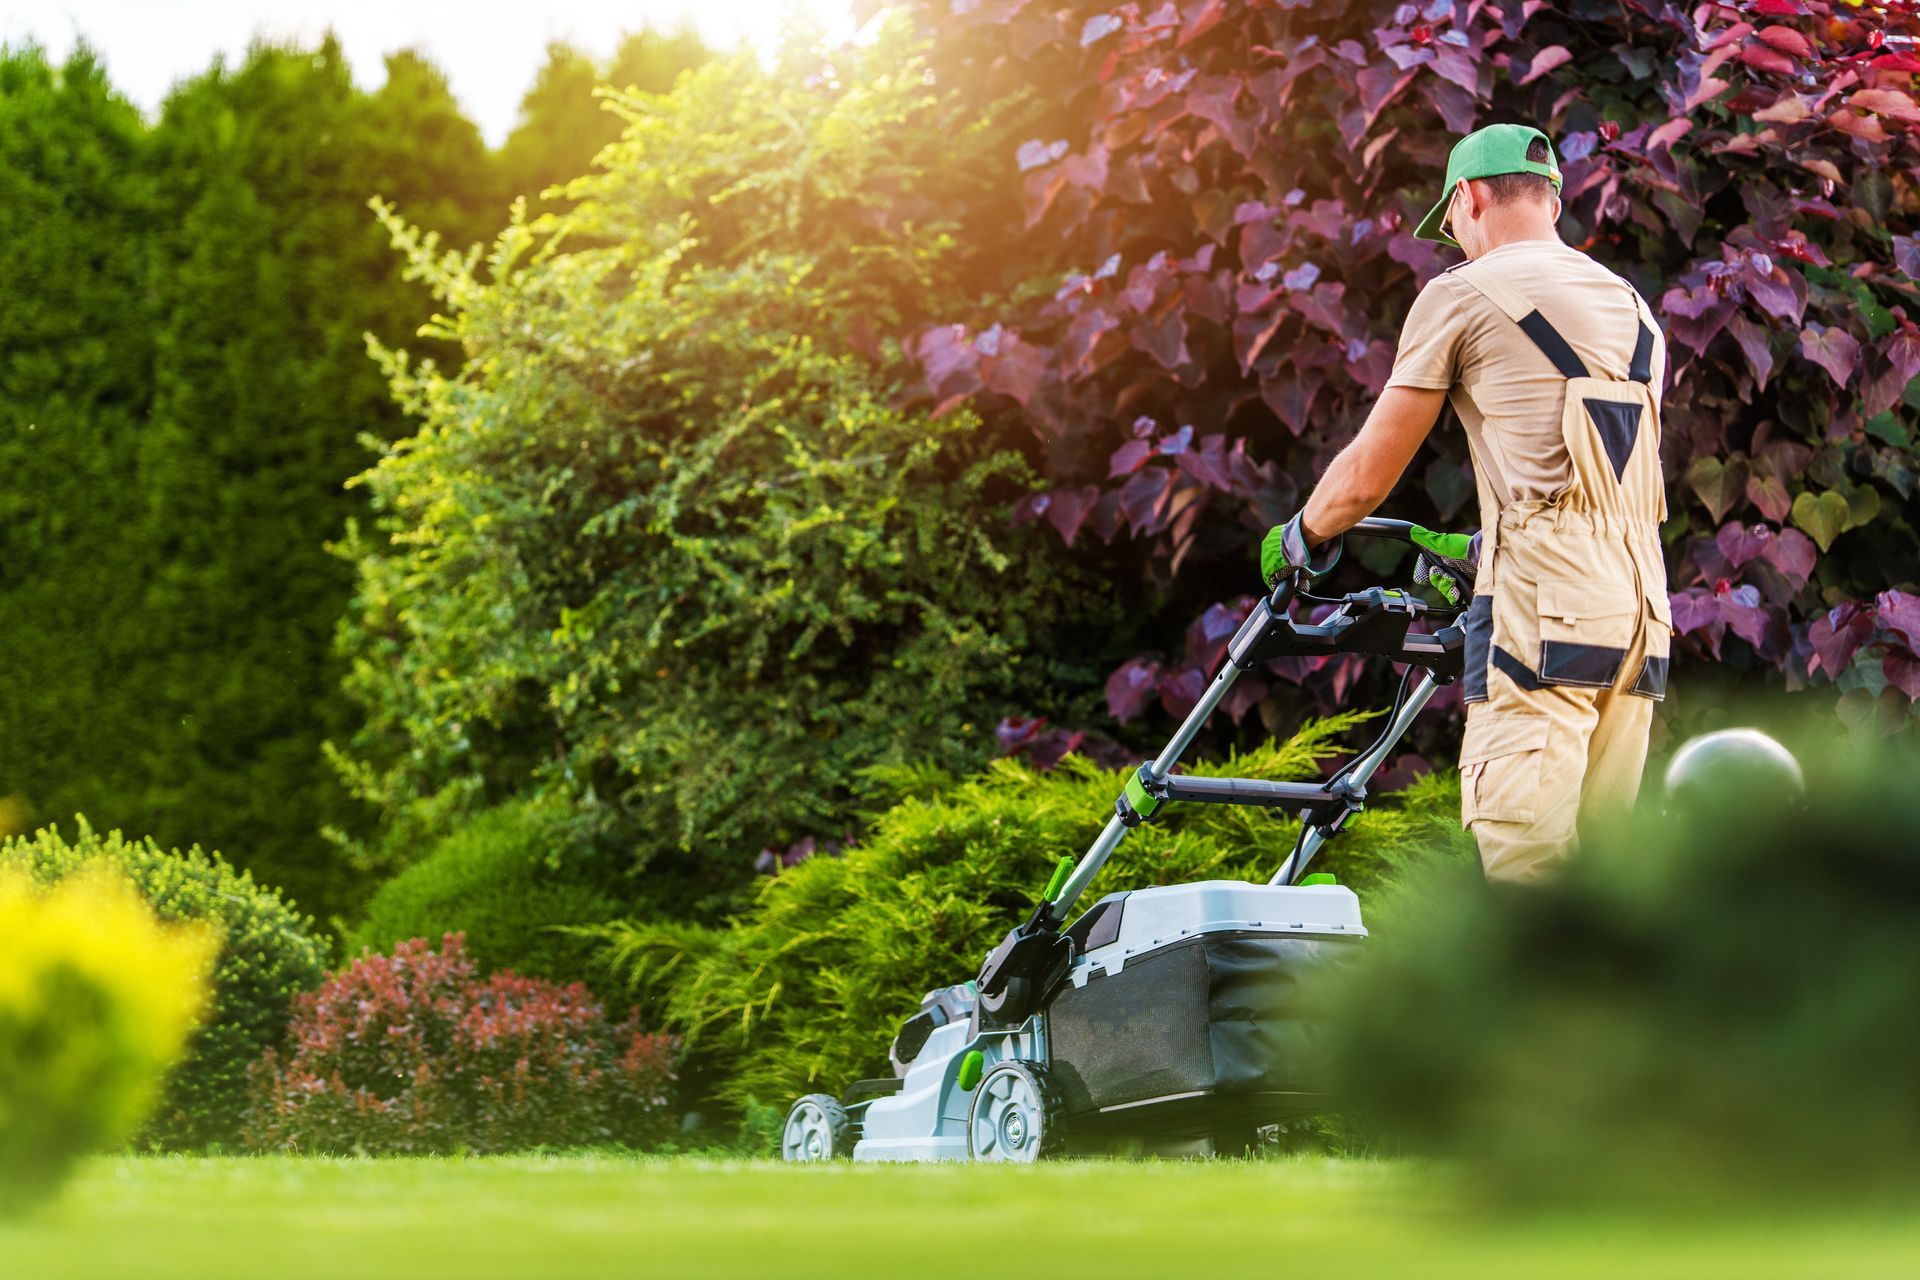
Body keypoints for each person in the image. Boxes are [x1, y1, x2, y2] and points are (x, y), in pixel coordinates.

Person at [1258, 123, 1670, 883]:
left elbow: (1366, 479)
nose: (1456, 241)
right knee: (1606, 882)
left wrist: (1301, 535)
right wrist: (1488, 545)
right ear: (1551, 202)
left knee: (1526, 862)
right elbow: (1594, 473)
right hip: (1640, 612)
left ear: (1470, 197)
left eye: (1451, 221)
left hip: (1545, 610)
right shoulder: (1632, 307)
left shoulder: (1461, 294)